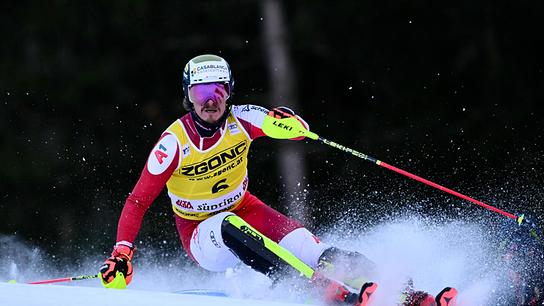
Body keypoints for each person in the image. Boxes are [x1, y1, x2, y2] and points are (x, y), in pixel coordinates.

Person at [98, 54, 432, 305]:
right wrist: (122, 253)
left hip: (246, 208)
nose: (211, 101)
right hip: (201, 233)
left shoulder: (241, 118)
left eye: (218, 90)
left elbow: (289, 128)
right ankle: (312, 287)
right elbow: (138, 200)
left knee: (312, 249)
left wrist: (293, 126)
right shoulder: (173, 143)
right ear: (188, 97)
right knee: (229, 224)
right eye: (201, 94)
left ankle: (403, 292)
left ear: (229, 93)